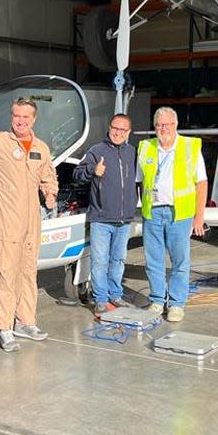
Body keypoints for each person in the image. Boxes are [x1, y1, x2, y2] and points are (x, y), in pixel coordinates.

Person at [0, 97, 58, 352]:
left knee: (28, 272)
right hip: (7, 221)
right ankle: (4, 327)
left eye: (26, 117)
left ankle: (26, 321)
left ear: (34, 119)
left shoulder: (41, 148)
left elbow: (48, 176)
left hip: (32, 223)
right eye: (17, 116)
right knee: (5, 274)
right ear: (11, 117)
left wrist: (50, 194)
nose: (21, 121)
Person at [136, 106, 207, 322]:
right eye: (159, 125)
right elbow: (140, 182)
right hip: (153, 213)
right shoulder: (146, 147)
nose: (163, 128)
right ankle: (158, 300)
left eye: (167, 124)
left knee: (180, 261)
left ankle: (176, 304)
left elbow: (201, 183)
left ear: (175, 125)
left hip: (180, 214)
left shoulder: (190, 147)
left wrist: (199, 217)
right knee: (153, 260)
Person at [74, 113, 137, 316]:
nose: (117, 133)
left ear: (128, 133)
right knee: (100, 261)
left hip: (124, 218)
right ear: (109, 128)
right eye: (115, 128)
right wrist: (93, 170)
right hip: (101, 218)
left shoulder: (132, 152)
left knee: (118, 259)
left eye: (122, 130)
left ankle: (115, 295)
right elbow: (77, 174)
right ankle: (100, 299)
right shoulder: (96, 151)